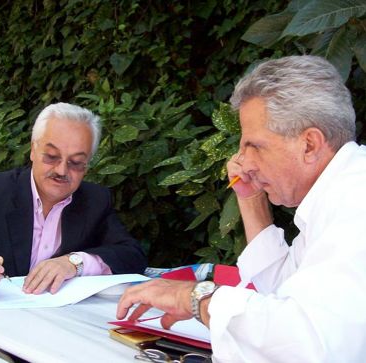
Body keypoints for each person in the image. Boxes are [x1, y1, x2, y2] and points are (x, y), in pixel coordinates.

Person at [117, 55, 366, 362]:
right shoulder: (341, 192)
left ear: (309, 145)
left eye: (255, 146)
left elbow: (307, 345)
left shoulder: (356, 203)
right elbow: (280, 290)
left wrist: (195, 297)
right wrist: (249, 199)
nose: (242, 161)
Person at [0, 102, 147, 294]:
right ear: (33, 150)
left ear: (88, 164)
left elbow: (132, 255)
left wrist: (75, 263)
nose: (62, 170)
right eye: (52, 156)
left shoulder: (94, 200)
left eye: (75, 163)